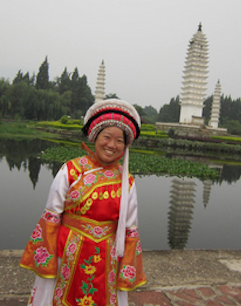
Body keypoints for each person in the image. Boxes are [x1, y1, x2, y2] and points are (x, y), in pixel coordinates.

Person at [20, 99, 147, 306]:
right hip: (67, 251)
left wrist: (126, 266)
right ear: (95, 137)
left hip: (108, 256)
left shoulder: (127, 181)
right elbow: (52, 216)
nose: (111, 145)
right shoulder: (71, 170)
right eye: (107, 137)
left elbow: (130, 228)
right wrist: (48, 258)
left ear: (126, 145)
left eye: (119, 141)